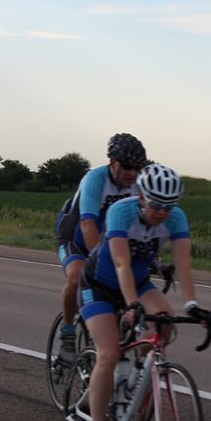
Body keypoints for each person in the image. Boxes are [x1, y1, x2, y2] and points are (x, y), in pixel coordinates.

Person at [79, 164, 211, 421]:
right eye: (156, 204)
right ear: (141, 196)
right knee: (109, 352)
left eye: (169, 206)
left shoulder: (175, 218)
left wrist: (192, 305)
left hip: (138, 284)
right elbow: (121, 264)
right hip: (99, 284)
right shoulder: (122, 213)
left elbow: (184, 266)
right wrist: (131, 305)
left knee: (164, 321)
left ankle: (135, 379)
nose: (162, 212)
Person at [54, 133, 147, 365]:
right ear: (112, 162)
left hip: (109, 243)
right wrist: (102, 263)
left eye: (138, 167)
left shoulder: (138, 184)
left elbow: (142, 226)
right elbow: (87, 225)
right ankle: (67, 334)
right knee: (76, 277)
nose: (133, 173)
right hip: (73, 238)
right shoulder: (95, 179)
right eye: (127, 167)